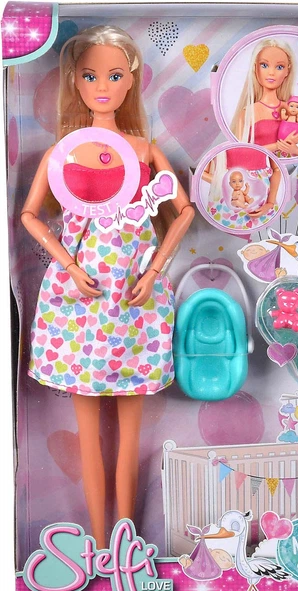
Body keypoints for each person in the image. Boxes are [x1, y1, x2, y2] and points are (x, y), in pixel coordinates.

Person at [21, 25, 195, 548]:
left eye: (115, 75)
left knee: (129, 439)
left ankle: (125, 546)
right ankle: (100, 549)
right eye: (91, 75)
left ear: (131, 81)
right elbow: (29, 215)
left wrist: (155, 270)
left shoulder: (144, 150)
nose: (102, 86)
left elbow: (185, 211)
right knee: (89, 439)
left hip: (135, 296)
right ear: (75, 82)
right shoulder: (63, 152)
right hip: (80, 300)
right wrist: (69, 266)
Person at [231, 39, 298, 157]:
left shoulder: (291, 109)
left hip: (288, 165)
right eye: (264, 65)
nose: (271, 73)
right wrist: (278, 146)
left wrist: (296, 150)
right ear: (255, 68)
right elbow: (241, 152)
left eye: (279, 67)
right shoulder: (247, 112)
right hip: (260, 167)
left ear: (287, 71)